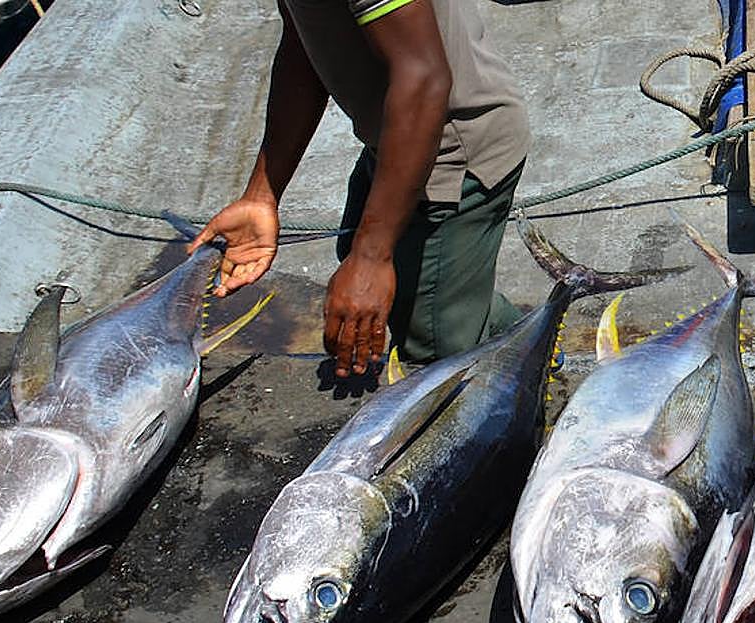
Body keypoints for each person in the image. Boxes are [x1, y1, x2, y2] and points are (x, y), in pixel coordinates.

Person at [189, 0, 530, 378]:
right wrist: (262, 195)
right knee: (381, 277)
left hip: (456, 156)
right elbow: (304, 44)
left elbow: (425, 79)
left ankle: (522, 359)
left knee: (436, 353)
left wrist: (371, 257)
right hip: (395, 142)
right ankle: (483, 315)